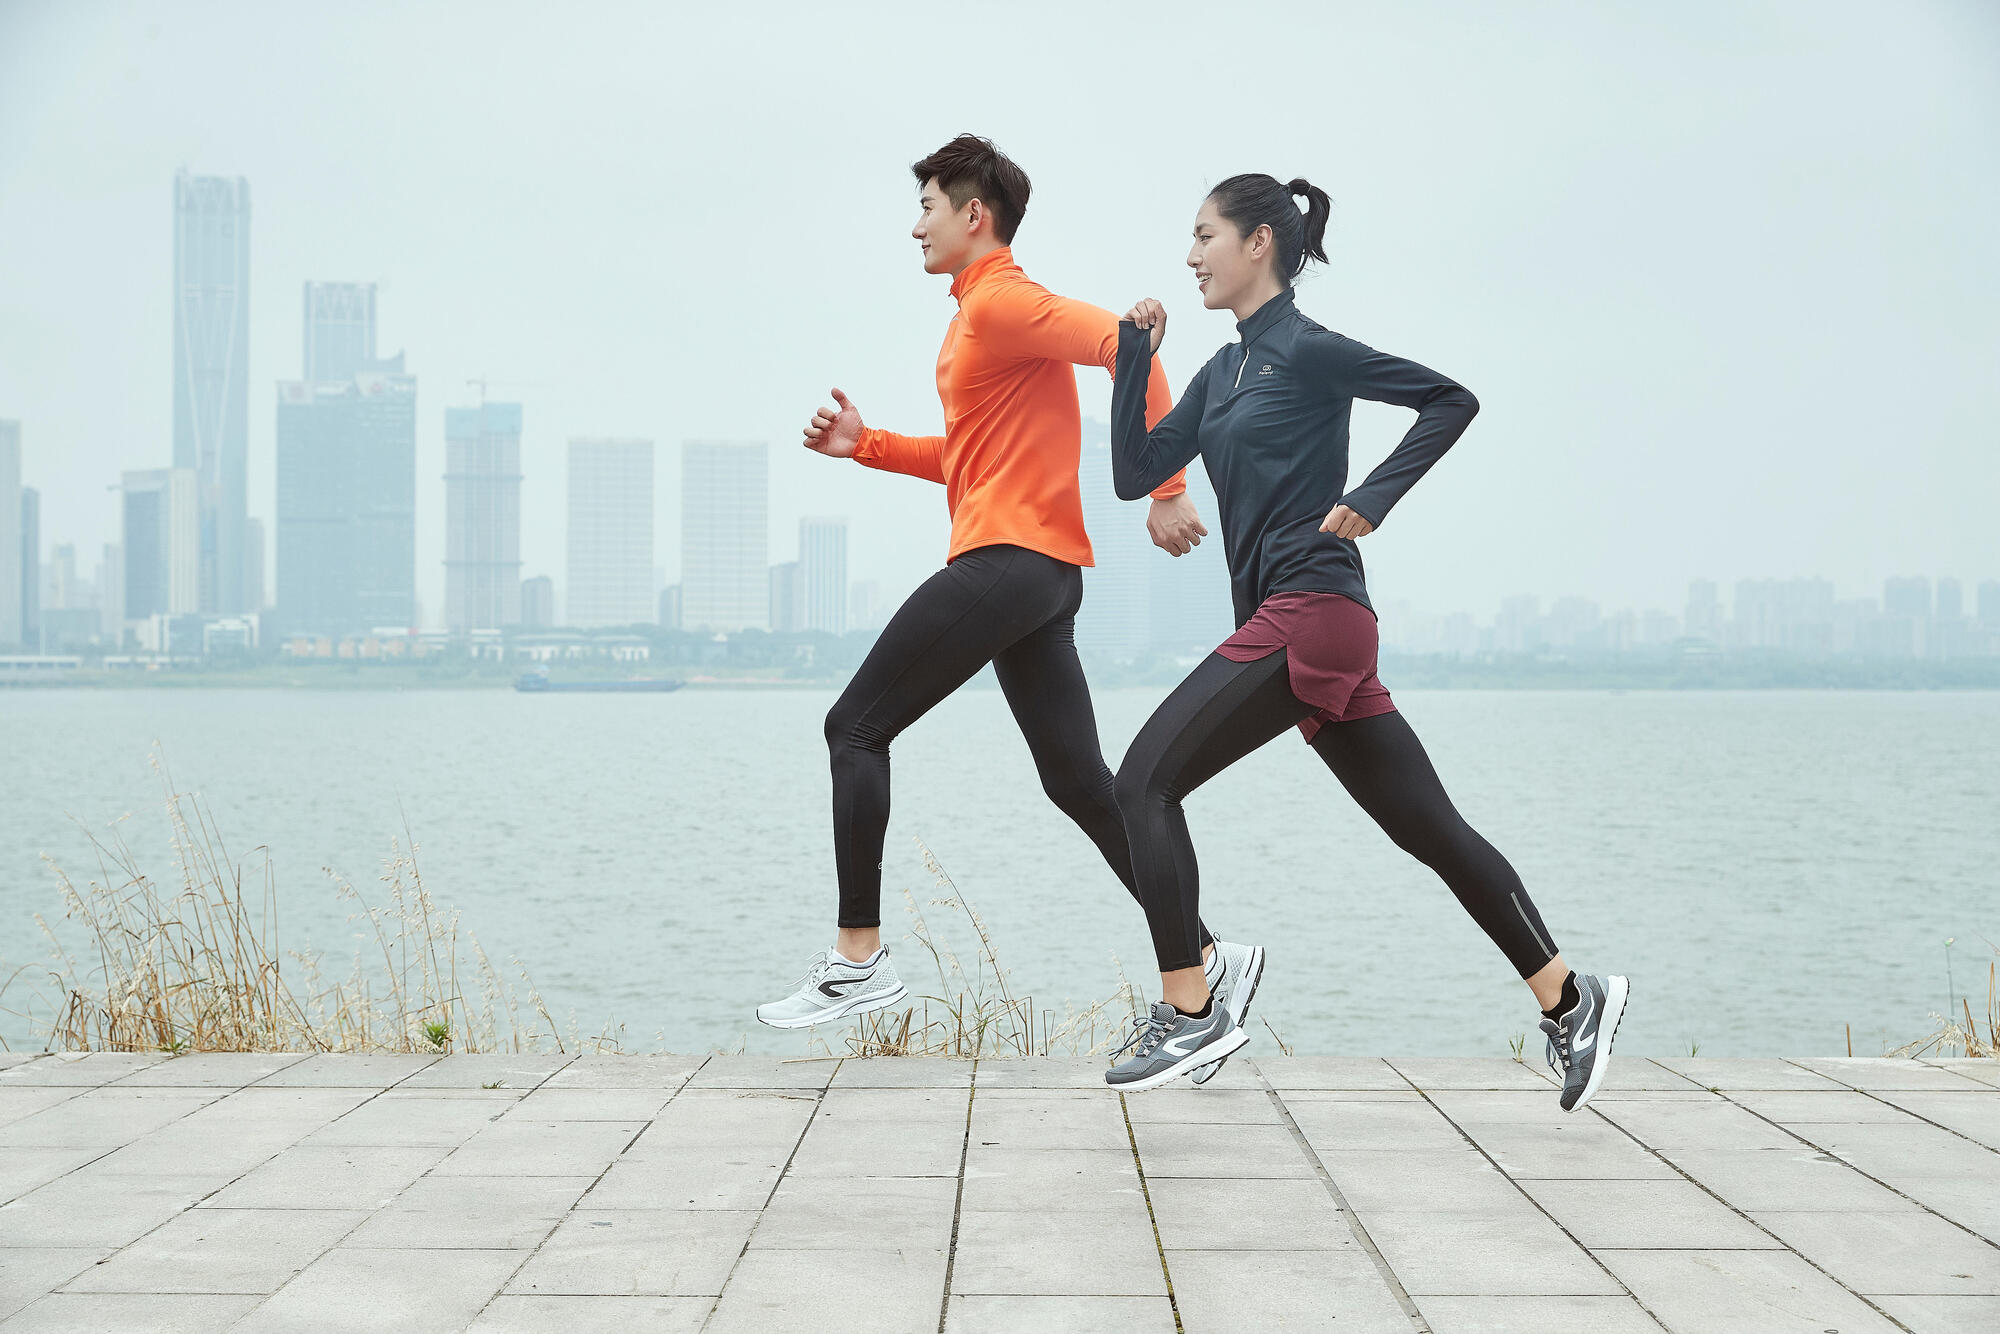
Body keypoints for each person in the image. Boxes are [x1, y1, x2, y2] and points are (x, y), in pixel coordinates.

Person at [1098, 172, 1627, 1108]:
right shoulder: (1224, 374)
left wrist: (1371, 499)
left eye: (1204, 234)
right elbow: (1137, 472)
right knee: (1429, 827)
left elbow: (1449, 401)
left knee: (1144, 781)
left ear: (1259, 241)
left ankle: (1192, 1014)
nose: (1190, 255)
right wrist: (1134, 358)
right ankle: (1569, 1000)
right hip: (1312, 632)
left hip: (1312, 611)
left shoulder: (1308, 350)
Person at [756, 135, 1264, 1033]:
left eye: (926, 207)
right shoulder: (972, 318)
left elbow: (1126, 344)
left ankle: (857, 960)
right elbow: (969, 456)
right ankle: (1207, 954)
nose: (916, 226)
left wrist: (1165, 487)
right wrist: (865, 446)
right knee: (1078, 781)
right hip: (1040, 574)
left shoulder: (1001, 301)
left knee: (855, 726)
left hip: (1010, 561)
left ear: (972, 215)